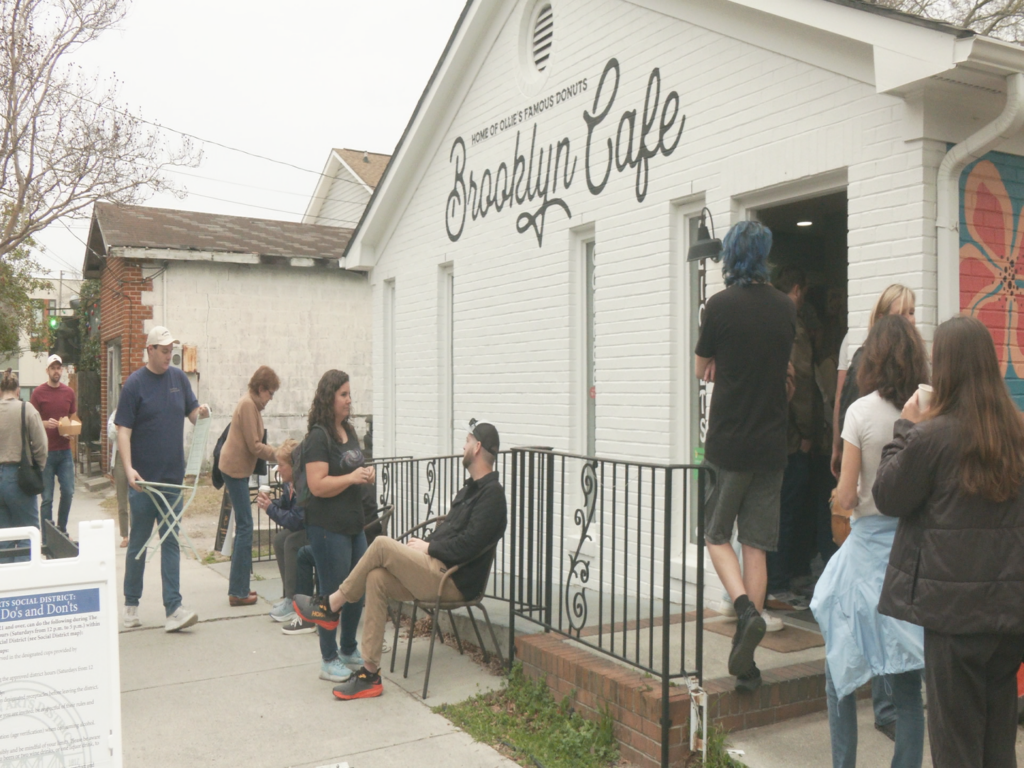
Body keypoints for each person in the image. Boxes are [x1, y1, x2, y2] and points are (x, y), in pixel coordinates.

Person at [876, 315, 1024, 768]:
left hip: (952, 618)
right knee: (998, 741)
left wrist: (905, 427)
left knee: (955, 747)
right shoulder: (1017, 434)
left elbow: (887, 494)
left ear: (945, 370)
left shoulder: (931, 436)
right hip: (1008, 614)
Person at [294, 419, 507, 701]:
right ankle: (370, 674)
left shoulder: (492, 497)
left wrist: (430, 547)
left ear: (477, 447)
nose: (463, 447)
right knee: (376, 578)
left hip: (453, 579)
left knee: (381, 544)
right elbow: (449, 531)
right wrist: (430, 546)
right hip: (436, 569)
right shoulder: (470, 489)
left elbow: (468, 545)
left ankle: (332, 605)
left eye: (467, 442)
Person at [811, 315, 929, 768]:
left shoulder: (860, 411)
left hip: (864, 553)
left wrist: (845, 496)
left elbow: (846, 495)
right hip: (909, 553)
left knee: (839, 671)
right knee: (906, 682)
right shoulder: (926, 409)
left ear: (873, 360)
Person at [694, 221, 796, 693]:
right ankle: (747, 663)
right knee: (755, 543)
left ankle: (744, 610)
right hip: (773, 443)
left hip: (729, 442)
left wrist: (718, 365)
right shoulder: (785, 308)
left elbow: (703, 369)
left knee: (715, 534)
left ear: (731, 256)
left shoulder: (718, 306)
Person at [117, 326, 209, 633]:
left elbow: (192, 413)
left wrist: (202, 413)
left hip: (173, 480)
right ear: (150, 350)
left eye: (172, 350)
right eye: (164, 350)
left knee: (171, 542)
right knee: (139, 545)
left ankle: (174, 610)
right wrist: (129, 469)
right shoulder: (134, 385)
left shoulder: (179, 379)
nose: (170, 355)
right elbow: (123, 431)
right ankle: (131, 604)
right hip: (143, 481)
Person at [300, 369, 376, 683]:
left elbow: (353, 468)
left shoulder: (349, 431)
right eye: (343, 394)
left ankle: (347, 648)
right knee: (333, 593)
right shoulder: (318, 437)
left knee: (357, 589)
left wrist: (365, 473)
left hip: (354, 524)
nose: (348, 400)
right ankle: (328, 658)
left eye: (349, 394)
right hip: (327, 528)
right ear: (329, 397)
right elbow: (317, 485)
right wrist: (351, 478)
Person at [766, 267, 815, 610]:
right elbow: (800, 386)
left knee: (774, 511)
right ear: (797, 288)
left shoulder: (766, 318)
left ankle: (772, 583)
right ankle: (779, 585)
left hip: (771, 433)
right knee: (787, 512)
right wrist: (810, 431)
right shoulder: (792, 325)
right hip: (791, 438)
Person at [831, 284, 916, 478]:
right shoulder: (865, 360)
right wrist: (840, 448)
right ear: (882, 320)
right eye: (901, 314)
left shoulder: (916, 362)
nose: (910, 320)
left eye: (911, 312)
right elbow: (848, 411)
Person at [219, 366, 279, 607]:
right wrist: (280, 454)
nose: (271, 399)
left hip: (237, 470)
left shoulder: (251, 405)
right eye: (271, 393)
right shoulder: (248, 405)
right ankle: (238, 591)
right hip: (234, 471)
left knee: (244, 526)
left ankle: (239, 587)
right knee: (245, 527)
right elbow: (255, 446)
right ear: (261, 388)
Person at [257, 438, 307, 623]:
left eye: (281, 465)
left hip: (317, 530)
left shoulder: (303, 485)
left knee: (291, 542)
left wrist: (271, 509)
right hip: (303, 528)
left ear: (294, 466)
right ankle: (289, 596)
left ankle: (294, 600)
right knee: (280, 540)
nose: (278, 469)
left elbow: (296, 520)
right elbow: (286, 506)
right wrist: (270, 504)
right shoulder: (289, 483)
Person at [0, 370, 47, 561]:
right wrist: (37, 468)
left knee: (4, 538)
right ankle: (27, 585)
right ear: (18, 391)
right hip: (19, 475)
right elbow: (42, 445)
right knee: (29, 534)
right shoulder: (26, 410)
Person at [30, 354, 77, 534]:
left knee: (68, 492)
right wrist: (44, 423)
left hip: (65, 451)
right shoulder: (38, 393)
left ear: (61, 370)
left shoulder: (69, 393)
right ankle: (47, 537)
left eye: (59, 368)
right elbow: (31, 420)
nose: (56, 371)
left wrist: (71, 431)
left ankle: (61, 529)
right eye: (53, 368)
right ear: (47, 371)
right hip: (46, 453)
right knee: (47, 498)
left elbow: (73, 419)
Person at [107, 411, 129, 547]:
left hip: (138, 456)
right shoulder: (117, 413)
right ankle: (125, 535)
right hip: (120, 457)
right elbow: (111, 433)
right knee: (122, 498)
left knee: (139, 497)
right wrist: (118, 427)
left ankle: (139, 533)